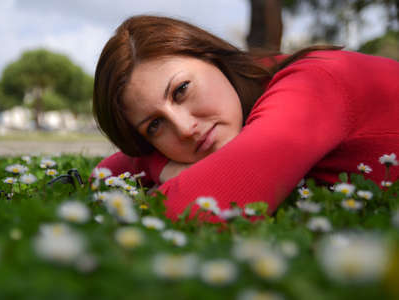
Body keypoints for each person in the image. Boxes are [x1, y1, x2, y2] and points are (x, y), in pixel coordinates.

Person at [92, 15, 399, 222]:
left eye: (181, 90)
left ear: (211, 57)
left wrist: (157, 168)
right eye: (155, 126)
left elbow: (207, 208)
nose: (185, 129)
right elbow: (103, 173)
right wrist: (157, 163)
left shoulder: (311, 86)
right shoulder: (245, 95)